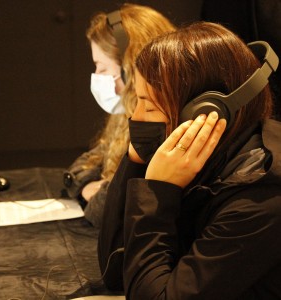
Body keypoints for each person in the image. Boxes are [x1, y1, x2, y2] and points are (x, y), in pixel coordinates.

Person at [97, 21, 281, 298]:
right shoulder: (209, 161)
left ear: (204, 112)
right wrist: (135, 161)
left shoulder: (260, 198)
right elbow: (114, 269)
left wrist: (158, 191)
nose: (135, 117)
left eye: (149, 105)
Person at [63, 3, 176, 228]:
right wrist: (88, 187)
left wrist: (101, 194)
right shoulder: (124, 114)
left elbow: (112, 211)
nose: (96, 76)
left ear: (130, 68)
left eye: (102, 68)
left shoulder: (160, 124)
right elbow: (84, 164)